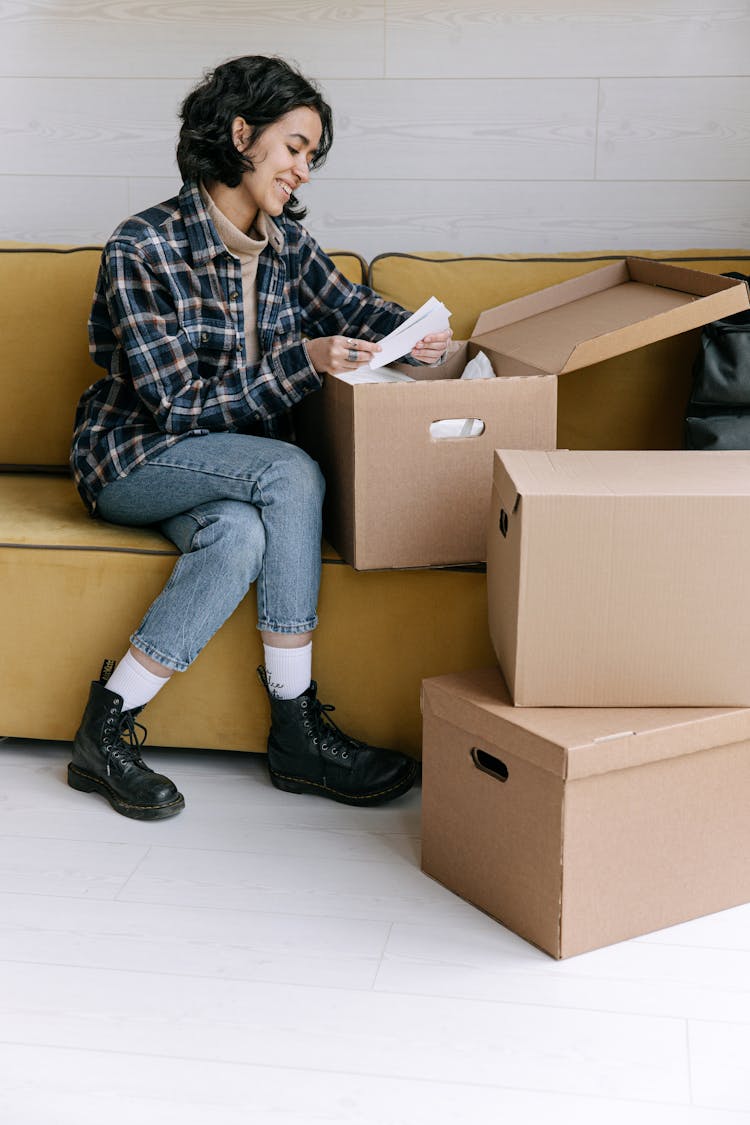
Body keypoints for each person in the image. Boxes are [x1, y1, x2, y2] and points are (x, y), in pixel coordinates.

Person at [67, 54, 452, 820]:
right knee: (291, 473)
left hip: (226, 477)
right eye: (294, 147)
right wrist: (300, 361)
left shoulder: (284, 248)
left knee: (239, 537)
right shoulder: (142, 247)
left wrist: (419, 338)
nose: (303, 170)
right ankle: (297, 727)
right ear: (241, 135)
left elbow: (357, 307)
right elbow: (175, 404)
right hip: (136, 459)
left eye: (312, 155)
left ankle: (101, 732)